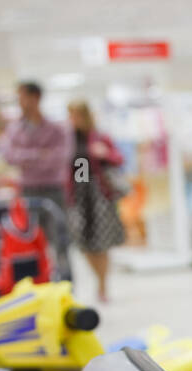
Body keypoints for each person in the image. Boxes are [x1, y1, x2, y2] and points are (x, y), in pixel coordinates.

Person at [65, 100, 126, 304]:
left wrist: (104, 153)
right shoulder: (68, 139)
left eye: (76, 115)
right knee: (84, 243)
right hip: (79, 195)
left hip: (99, 194)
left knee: (102, 242)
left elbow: (119, 158)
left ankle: (102, 285)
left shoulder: (99, 137)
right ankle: (98, 279)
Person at [0, 81, 70, 211]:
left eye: (22, 97)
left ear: (36, 97)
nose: (20, 102)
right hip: (27, 189)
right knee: (30, 230)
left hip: (53, 188)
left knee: (55, 229)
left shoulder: (56, 129)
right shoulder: (14, 128)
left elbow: (60, 158)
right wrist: (40, 154)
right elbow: (8, 156)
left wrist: (24, 157)